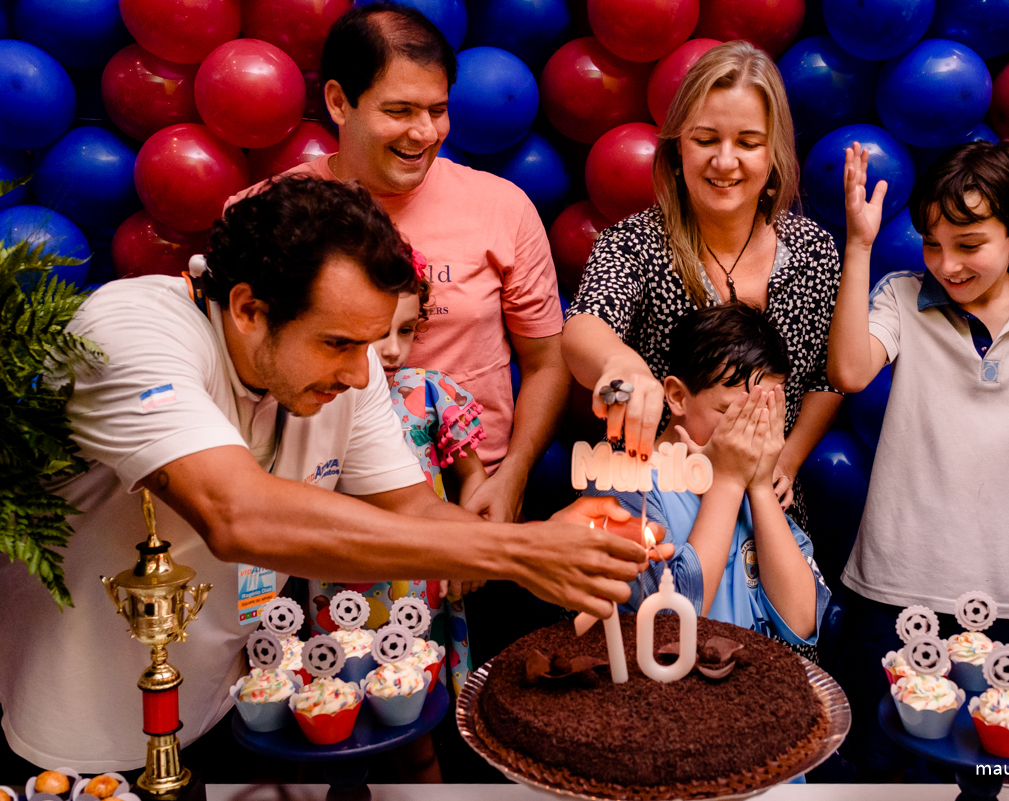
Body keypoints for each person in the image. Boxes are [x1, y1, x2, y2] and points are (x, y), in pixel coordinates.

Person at [0, 176, 660, 773]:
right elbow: (239, 515)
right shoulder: (133, 329)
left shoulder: (352, 367)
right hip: (78, 728)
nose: (359, 372)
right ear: (248, 309)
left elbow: (414, 510)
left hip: (228, 705)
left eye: (367, 344)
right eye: (337, 343)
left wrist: (555, 536)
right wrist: (521, 552)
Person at [826, 139, 1009, 777]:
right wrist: (860, 245)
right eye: (933, 244)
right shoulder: (902, 295)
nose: (947, 264)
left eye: (969, 244)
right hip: (894, 584)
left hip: (1008, 591)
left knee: (988, 765)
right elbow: (848, 371)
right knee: (881, 763)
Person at [232, 3, 569, 525]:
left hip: (472, 494)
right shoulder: (264, 214)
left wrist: (512, 478)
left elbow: (547, 362)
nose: (425, 132)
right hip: (317, 498)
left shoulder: (503, 207)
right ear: (339, 102)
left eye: (437, 110)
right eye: (400, 111)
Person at [562, 40, 843, 530]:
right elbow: (584, 327)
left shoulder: (813, 250)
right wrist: (620, 365)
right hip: (653, 505)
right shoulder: (634, 243)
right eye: (706, 139)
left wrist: (788, 458)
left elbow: (825, 378)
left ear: (773, 155)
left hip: (764, 512)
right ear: (677, 149)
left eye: (748, 143)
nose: (725, 160)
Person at [587, 304, 830, 661]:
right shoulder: (625, 486)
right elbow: (671, 624)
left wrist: (759, 487)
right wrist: (727, 483)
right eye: (733, 414)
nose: (750, 432)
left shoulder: (754, 485)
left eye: (764, 416)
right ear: (677, 396)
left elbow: (802, 620)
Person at [310, 249, 487, 701]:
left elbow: (474, 475)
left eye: (405, 330)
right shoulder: (316, 397)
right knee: (337, 696)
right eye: (378, 332)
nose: (392, 348)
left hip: (421, 577)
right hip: (336, 576)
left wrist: (468, 544)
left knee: (419, 698)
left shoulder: (429, 392)